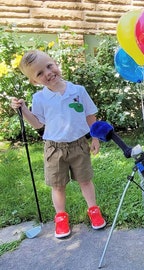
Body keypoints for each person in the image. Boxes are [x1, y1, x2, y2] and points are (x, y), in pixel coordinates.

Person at [10, 50, 106, 238]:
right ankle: (61, 217)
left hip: (79, 144)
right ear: (35, 81)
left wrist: (95, 138)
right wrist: (23, 110)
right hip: (54, 148)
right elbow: (38, 123)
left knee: (85, 180)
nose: (47, 73)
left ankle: (93, 210)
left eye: (49, 66)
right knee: (58, 185)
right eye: (39, 73)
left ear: (55, 62)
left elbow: (90, 115)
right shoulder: (40, 98)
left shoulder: (78, 90)